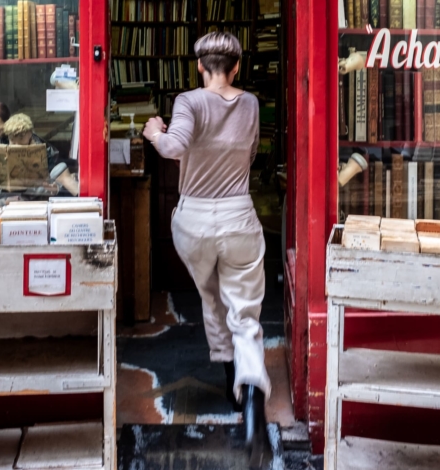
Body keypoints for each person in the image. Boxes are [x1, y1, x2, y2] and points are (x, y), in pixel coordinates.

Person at [143, 32, 269, 465]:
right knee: (245, 311)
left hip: (194, 221)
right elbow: (250, 152)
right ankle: (251, 400)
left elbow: (174, 147)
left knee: (211, 296)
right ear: (237, 66)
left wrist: (154, 131)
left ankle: (230, 375)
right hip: (238, 216)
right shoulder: (251, 103)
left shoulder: (189, 101)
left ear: (200, 66)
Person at [0, 113, 68, 206]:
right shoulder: (2, 154)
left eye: (22, 142)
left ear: (30, 136)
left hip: (36, 199)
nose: (17, 146)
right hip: (7, 200)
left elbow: (55, 184)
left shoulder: (46, 154)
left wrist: (55, 189)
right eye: (13, 142)